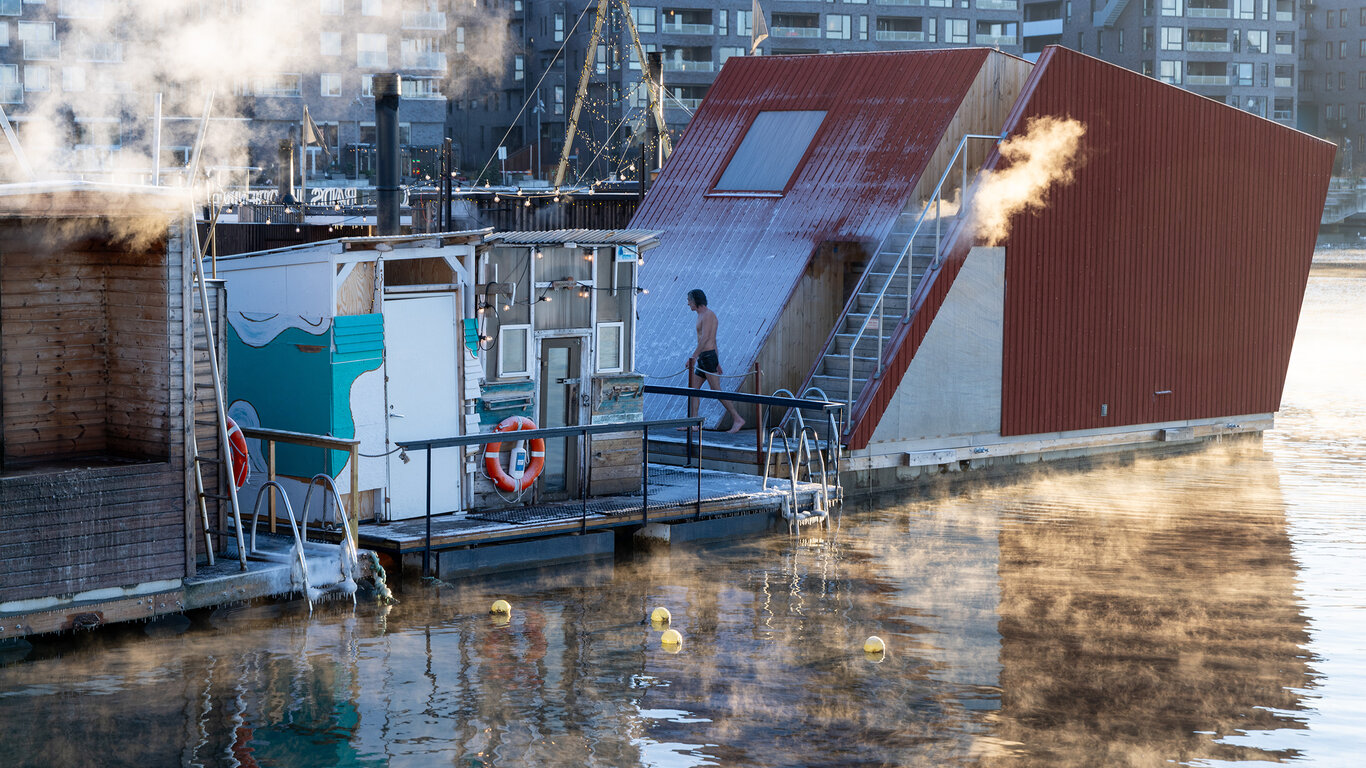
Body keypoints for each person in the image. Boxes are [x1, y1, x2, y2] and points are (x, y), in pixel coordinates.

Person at [683, 288, 745, 434]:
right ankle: (693, 423)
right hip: (707, 357)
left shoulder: (708, 315)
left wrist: (693, 357)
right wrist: (717, 361)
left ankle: (737, 419)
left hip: (707, 357)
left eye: (689, 300)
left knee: (716, 391)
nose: (688, 304)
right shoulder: (701, 315)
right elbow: (712, 340)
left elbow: (706, 339)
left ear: (696, 300)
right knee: (693, 390)